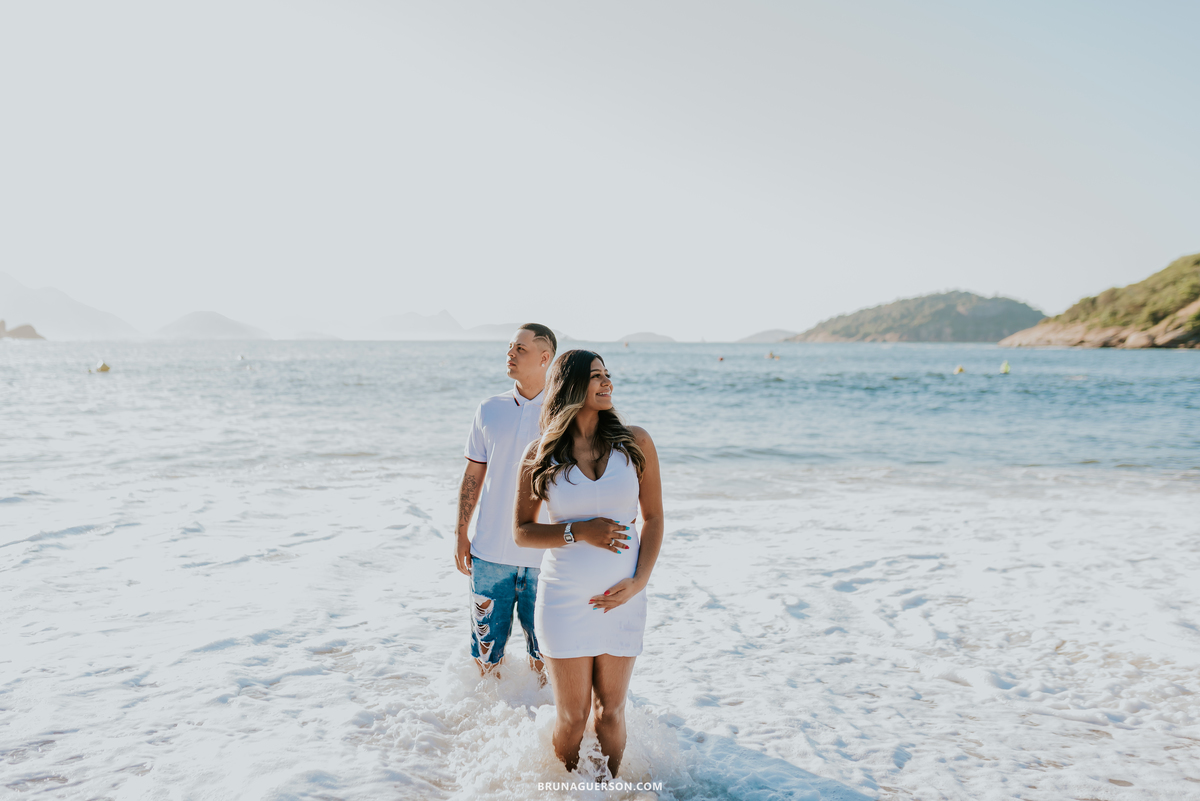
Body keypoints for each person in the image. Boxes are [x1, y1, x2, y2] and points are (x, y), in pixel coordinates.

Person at [514, 350, 664, 778]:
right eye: (595, 376)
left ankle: (611, 789)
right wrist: (578, 531)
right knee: (573, 719)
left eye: (607, 375)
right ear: (571, 386)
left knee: (612, 713)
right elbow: (522, 530)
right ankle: (567, 790)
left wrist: (639, 582)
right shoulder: (541, 452)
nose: (606, 382)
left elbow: (653, 518)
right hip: (563, 598)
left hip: (624, 597)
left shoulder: (635, 443)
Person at [456, 323, 557, 679]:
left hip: (546, 559)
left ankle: (542, 729)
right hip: (489, 556)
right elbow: (473, 476)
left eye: (521, 349)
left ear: (545, 358)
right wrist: (461, 534)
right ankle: (487, 727)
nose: (510, 354)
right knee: (485, 659)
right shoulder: (489, 409)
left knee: (548, 660)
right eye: (510, 347)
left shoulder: (565, 414)